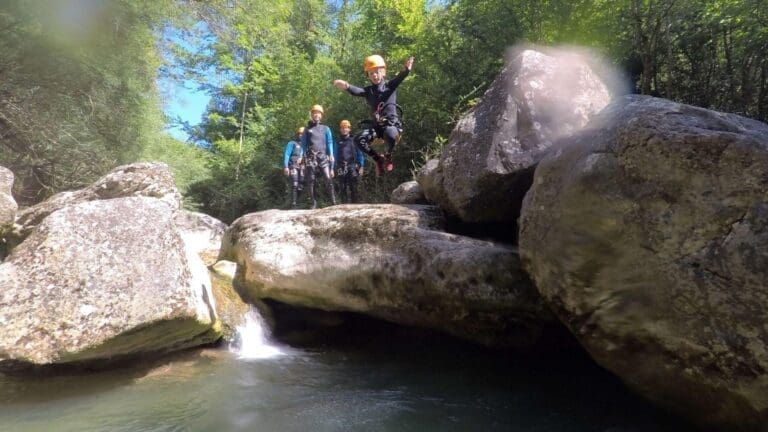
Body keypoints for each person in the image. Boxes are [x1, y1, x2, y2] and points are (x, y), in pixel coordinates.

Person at [333, 54, 414, 175]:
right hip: (378, 129)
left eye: (377, 72)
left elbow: (399, 78)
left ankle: (388, 155)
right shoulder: (368, 91)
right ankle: (378, 159)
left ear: (383, 72)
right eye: (371, 74)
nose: (375, 76)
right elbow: (356, 91)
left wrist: (406, 70)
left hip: (392, 126)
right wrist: (346, 86)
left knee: (390, 133)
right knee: (358, 139)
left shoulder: (389, 86)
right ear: (368, 76)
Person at [301, 104, 336, 209]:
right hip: (310, 157)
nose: (316, 115)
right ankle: (313, 203)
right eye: (314, 113)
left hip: (323, 156)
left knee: (328, 178)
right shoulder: (307, 129)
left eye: (318, 113)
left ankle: (333, 202)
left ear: (321, 115)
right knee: (311, 180)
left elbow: (329, 142)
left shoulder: (326, 128)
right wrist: (302, 156)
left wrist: (331, 154)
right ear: (312, 115)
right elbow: (303, 144)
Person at [334, 119, 365, 203]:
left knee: (353, 187)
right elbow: (334, 155)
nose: (344, 129)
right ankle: (344, 207)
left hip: (352, 166)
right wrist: (333, 168)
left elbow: (360, 153)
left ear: (349, 129)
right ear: (340, 129)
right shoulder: (337, 142)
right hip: (341, 167)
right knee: (342, 188)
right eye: (343, 128)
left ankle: (355, 206)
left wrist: (361, 166)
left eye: (346, 128)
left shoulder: (354, 140)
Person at [283, 126, 305, 209]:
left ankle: (298, 202)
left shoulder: (305, 145)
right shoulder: (292, 143)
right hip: (293, 165)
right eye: (300, 134)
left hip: (302, 167)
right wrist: (286, 167)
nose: (301, 135)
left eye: (303, 134)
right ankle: (294, 204)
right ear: (298, 134)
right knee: (295, 184)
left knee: (301, 184)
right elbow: (287, 154)